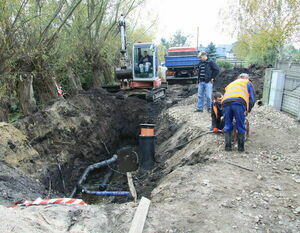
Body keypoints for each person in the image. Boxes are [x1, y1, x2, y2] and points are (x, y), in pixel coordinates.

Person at [222, 73, 255, 152]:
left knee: (227, 124)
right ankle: (241, 148)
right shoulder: (247, 83)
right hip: (239, 103)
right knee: (240, 125)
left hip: (225, 103)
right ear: (246, 78)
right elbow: (252, 99)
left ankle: (228, 147)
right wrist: (248, 110)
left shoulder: (231, 84)